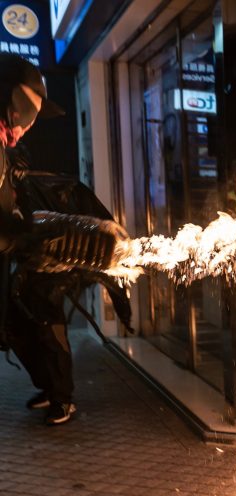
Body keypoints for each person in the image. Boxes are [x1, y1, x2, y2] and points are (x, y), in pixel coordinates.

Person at [0, 54, 126, 425]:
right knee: (19, 325)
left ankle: (60, 395)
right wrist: (25, 234)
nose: (23, 127)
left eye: (29, 119)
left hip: (29, 258)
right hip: (22, 253)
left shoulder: (11, 156)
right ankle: (53, 390)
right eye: (22, 112)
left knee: (40, 321)